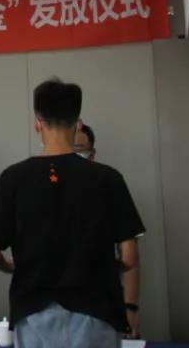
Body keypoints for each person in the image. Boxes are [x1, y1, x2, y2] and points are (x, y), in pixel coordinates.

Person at [0, 79, 144, 348]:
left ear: (37, 124)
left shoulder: (13, 178)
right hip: (95, 310)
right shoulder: (108, 178)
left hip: (33, 311)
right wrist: (100, 269)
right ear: (78, 124)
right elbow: (129, 256)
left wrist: (14, 267)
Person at [72, 123, 142, 338]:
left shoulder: (107, 185)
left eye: (79, 149)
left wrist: (130, 307)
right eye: (68, 149)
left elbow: (130, 257)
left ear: (92, 154)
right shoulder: (39, 186)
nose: (73, 156)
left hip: (98, 306)